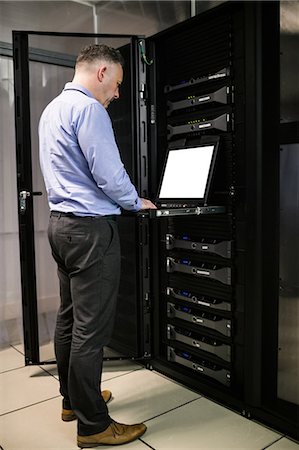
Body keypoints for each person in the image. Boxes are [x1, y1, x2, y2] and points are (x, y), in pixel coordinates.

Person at [39, 43, 156, 448]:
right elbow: (107, 172)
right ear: (102, 72)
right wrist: (134, 200)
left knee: (70, 319)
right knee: (91, 330)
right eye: (118, 84)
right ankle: (93, 426)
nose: (118, 94)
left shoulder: (52, 109)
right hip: (89, 230)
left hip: (60, 227)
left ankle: (73, 401)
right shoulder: (89, 109)